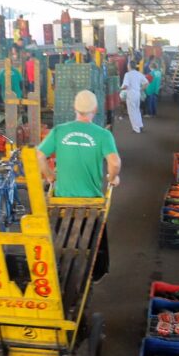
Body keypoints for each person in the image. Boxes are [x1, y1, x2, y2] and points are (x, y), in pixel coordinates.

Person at [36, 90, 120, 279]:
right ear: (95, 109)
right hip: (91, 204)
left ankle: (63, 269)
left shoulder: (59, 131)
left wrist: (49, 176)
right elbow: (114, 163)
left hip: (62, 202)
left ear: (74, 108)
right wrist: (112, 177)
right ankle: (95, 274)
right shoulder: (103, 135)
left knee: (62, 241)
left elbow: (40, 156)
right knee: (94, 240)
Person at [121, 61, 149, 134]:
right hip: (137, 93)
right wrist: (140, 89)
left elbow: (125, 86)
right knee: (137, 110)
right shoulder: (139, 73)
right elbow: (146, 83)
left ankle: (136, 129)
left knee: (131, 111)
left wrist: (120, 88)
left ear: (129, 66)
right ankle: (140, 125)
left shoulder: (127, 74)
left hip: (131, 94)